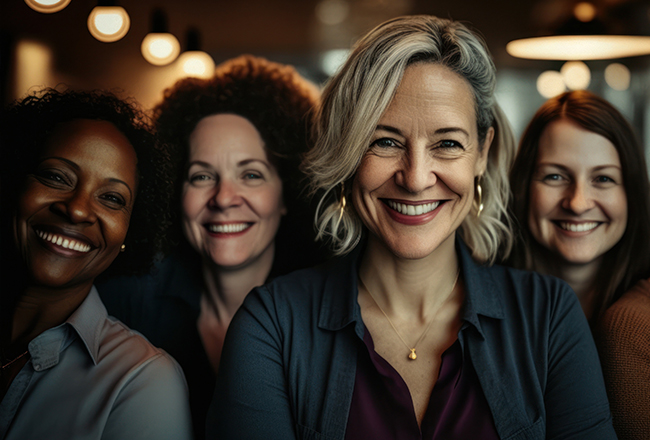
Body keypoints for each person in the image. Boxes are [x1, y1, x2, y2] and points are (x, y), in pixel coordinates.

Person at [208, 15, 616, 440]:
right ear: (348, 152)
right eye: (384, 141)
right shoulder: (272, 325)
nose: (416, 177)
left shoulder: (548, 316)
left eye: (448, 144)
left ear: (482, 153)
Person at [97, 55, 326, 439]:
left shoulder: (331, 316)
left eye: (251, 174)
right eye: (202, 175)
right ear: (175, 190)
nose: (223, 198)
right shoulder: (118, 304)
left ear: (287, 193)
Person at [0, 88, 193, 439]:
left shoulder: (142, 380)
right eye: (56, 177)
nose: (76, 209)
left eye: (111, 198)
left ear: (130, 232)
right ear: (14, 181)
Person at [509, 90, 650, 439]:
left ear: (631, 193)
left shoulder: (640, 322)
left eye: (603, 178)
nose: (578, 202)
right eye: (555, 176)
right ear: (524, 186)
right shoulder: (483, 307)